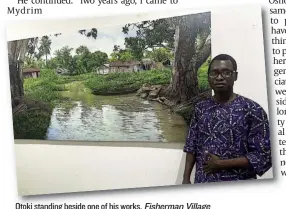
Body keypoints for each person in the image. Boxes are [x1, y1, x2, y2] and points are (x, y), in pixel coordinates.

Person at [182, 54, 272, 184]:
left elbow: (264, 156)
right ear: (208, 77)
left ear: (235, 76)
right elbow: (192, 146)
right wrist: (185, 179)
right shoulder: (200, 108)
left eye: (226, 73)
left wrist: (221, 164)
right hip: (203, 182)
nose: (219, 77)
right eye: (214, 73)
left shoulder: (252, 110)